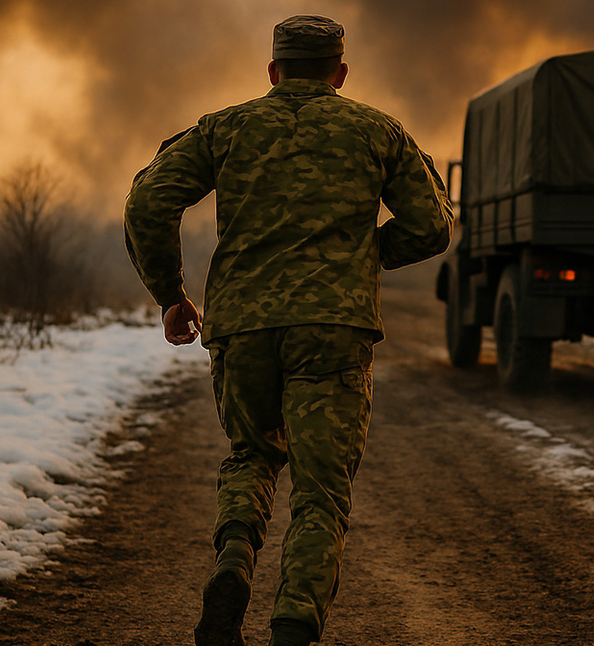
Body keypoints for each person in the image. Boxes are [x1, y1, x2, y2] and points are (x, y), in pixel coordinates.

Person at [123, 14, 453, 646]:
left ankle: (233, 565)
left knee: (251, 455)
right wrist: (365, 254)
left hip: (242, 325)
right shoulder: (376, 130)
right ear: (341, 72)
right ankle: (294, 625)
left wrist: (170, 294)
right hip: (334, 325)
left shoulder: (225, 127)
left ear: (272, 70)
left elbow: (146, 201)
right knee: (321, 488)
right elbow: (434, 223)